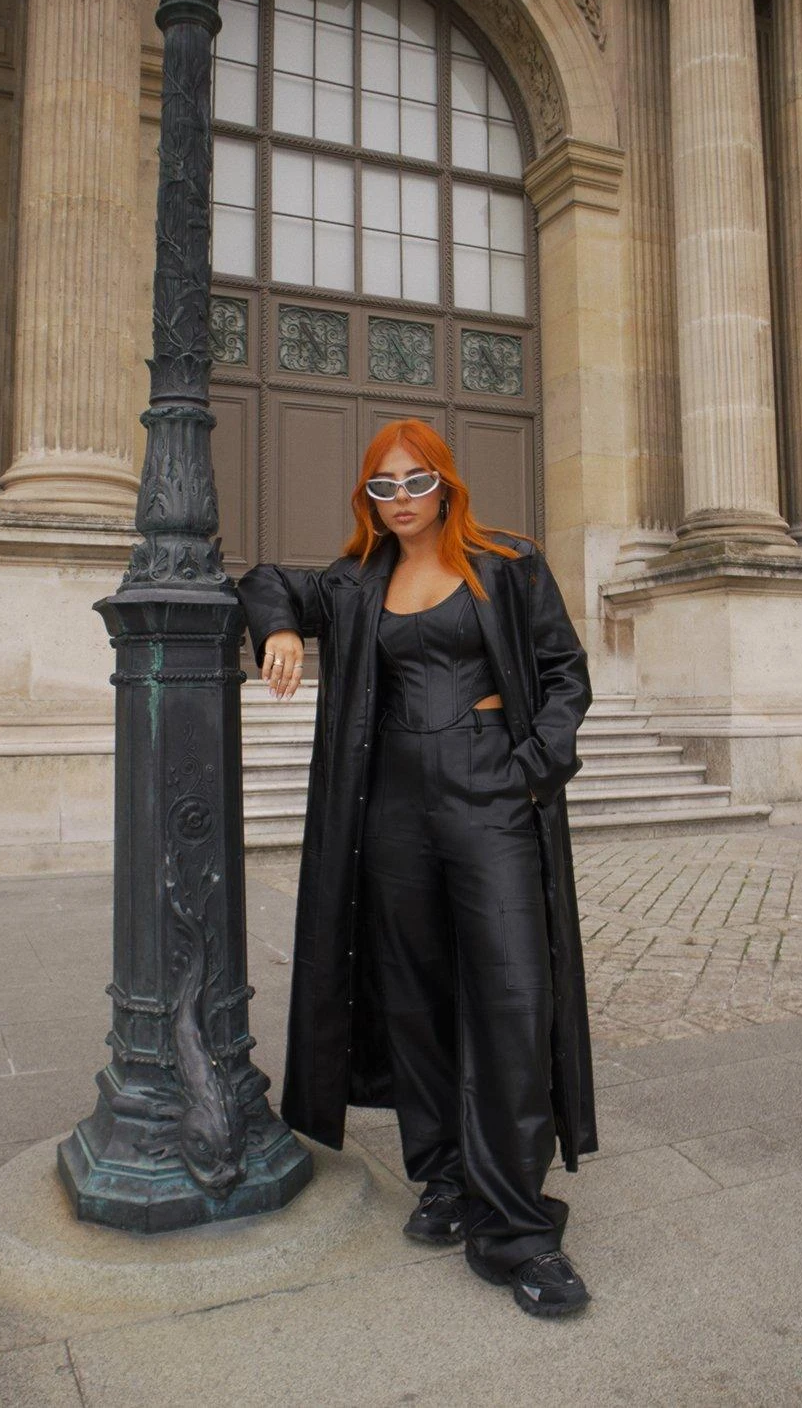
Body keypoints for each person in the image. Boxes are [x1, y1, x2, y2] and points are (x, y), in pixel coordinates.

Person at [236, 418, 597, 1319]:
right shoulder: (357, 581)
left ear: (445, 483)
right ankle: (443, 1177)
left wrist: (531, 767)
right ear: (367, 496)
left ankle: (517, 1228)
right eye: (382, 486)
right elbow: (265, 579)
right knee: (414, 995)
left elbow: (565, 673)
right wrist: (280, 630)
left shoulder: (508, 564)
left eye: (416, 481)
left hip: (491, 795)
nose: (400, 499)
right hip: (393, 806)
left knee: (513, 993)